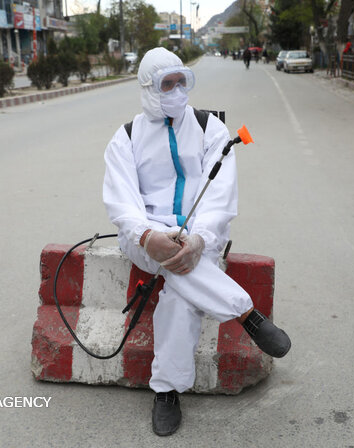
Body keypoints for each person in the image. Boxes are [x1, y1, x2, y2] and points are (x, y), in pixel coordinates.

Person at [102, 47, 291, 437]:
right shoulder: (126, 137)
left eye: (179, 82)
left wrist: (200, 239)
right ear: (148, 88)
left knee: (180, 293)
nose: (175, 91)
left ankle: (166, 392)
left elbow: (221, 194)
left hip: (198, 236)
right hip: (144, 236)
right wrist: (147, 235)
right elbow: (121, 200)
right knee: (176, 266)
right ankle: (246, 315)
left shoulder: (211, 129)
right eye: (165, 84)